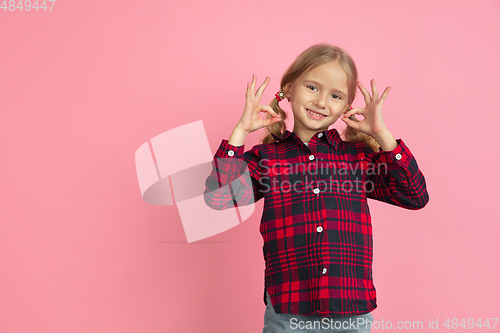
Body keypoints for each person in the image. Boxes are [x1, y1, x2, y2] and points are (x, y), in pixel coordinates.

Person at [204, 44, 429, 333]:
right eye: (312, 87)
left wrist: (383, 135)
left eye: (335, 95)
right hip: (288, 314)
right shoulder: (267, 159)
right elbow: (219, 198)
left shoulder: (357, 157)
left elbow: (414, 195)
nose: (322, 101)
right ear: (289, 88)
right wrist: (240, 132)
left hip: (350, 311)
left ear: (346, 106)